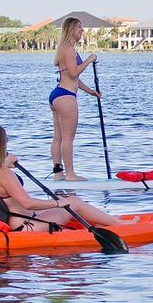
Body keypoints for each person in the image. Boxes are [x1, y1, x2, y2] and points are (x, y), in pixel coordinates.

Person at [0, 124, 126, 231]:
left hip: (21, 221)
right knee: (73, 202)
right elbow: (27, 203)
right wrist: (57, 203)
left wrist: (4, 164)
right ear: (2, 144)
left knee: (70, 204)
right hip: (28, 226)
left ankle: (102, 222)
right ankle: (119, 225)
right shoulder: (4, 173)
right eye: (6, 140)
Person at [49, 16, 100, 180]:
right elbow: (74, 72)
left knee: (58, 137)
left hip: (57, 95)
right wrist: (89, 60)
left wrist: (91, 91)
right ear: (71, 29)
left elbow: (73, 79)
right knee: (68, 138)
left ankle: (58, 174)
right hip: (66, 97)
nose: (82, 30)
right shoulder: (69, 48)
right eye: (79, 27)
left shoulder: (63, 48)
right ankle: (70, 174)